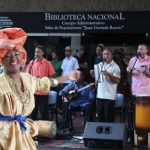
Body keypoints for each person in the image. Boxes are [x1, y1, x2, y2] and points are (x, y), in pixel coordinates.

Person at [0, 27, 80, 150]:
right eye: (7, 55)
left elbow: (48, 82)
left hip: (23, 137)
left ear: (21, 56)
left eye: (16, 54)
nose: (13, 58)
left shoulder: (27, 79)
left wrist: (67, 77)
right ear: (1, 59)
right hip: (4, 139)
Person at [25, 45, 55, 120]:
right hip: (33, 91)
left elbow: (51, 76)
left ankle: (45, 129)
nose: (36, 53)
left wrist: (43, 80)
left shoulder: (47, 63)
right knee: (32, 112)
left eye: (38, 52)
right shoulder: (31, 63)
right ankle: (32, 129)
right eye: (35, 52)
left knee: (44, 112)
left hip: (43, 91)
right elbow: (26, 75)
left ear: (42, 53)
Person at [127, 43, 150, 139]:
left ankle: (146, 135)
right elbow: (129, 69)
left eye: (141, 49)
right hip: (135, 90)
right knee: (134, 114)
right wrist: (128, 69)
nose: (139, 50)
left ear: (146, 50)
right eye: (138, 49)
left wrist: (145, 71)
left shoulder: (149, 60)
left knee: (145, 114)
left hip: (146, 92)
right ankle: (134, 136)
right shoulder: (133, 59)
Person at [95, 49, 120, 122]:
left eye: (108, 54)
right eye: (104, 54)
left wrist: (109, 75)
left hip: (109, 96)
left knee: (108, 119)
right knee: (100, 118)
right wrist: (93, 73)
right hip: (100, 95)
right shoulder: (100, 65)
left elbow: (117, 81)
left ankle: (108, 133)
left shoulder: (115, 67)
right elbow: (97, 79)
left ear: (111, 55)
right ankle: (100, 133)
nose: (106, 56)